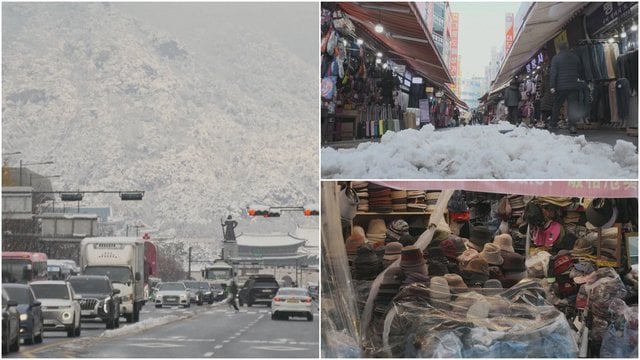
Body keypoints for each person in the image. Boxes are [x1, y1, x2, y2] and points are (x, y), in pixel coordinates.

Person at [550, 42, 585, 134]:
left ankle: (553, 124)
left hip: (560, 87)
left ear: (559, 49)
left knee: (557, 105)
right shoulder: (575, 57)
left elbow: (553, 73)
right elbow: (580, 70)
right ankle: (572, 126)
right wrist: (579, 79)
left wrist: (552, 86)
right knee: (572, 106)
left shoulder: (556, 58)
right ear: (567, 48)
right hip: (573, 85)